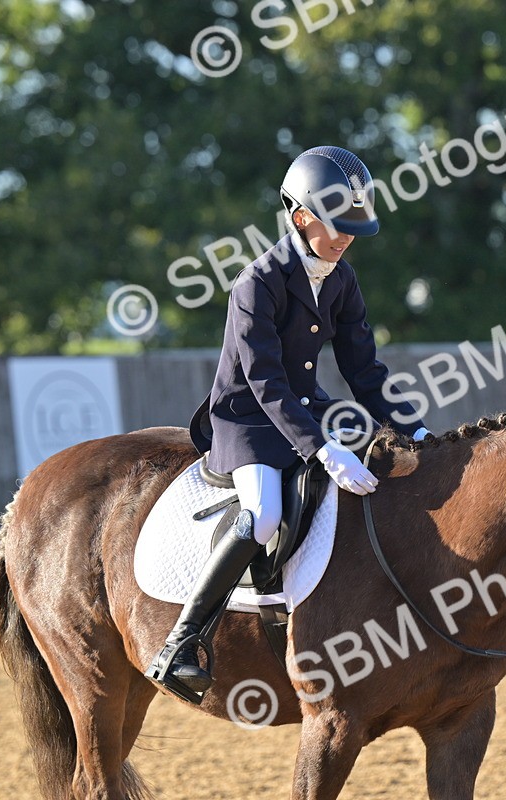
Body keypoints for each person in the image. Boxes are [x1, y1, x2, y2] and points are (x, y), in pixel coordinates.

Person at [149, 146, 430, 694]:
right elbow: (265, 382)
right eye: (337, 225)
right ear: (302, 217)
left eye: (355, 225)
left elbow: (364, 369)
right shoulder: (257, 283)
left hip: (306, 406)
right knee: (263, 516)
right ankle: (181, 642)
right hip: (248, 419)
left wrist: (414, 429)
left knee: (386, 467)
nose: (347, 236)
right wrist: (321, 449)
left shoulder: (342, 280)